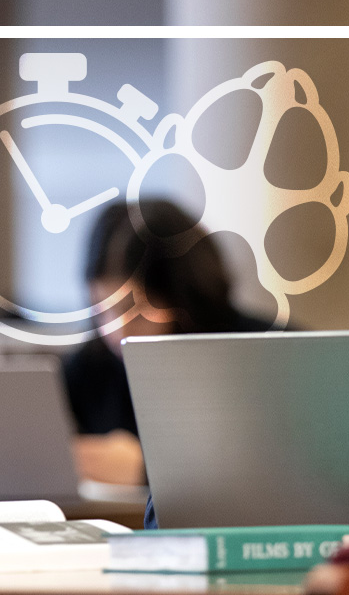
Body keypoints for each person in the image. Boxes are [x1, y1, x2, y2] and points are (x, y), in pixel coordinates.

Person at [65, 199, 271, 490]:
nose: (115, 331)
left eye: (133, 310)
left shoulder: (267, 351)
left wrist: (147, 471)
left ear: (183, 297)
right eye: (102, 310)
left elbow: (273, 470)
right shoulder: (88, 366)